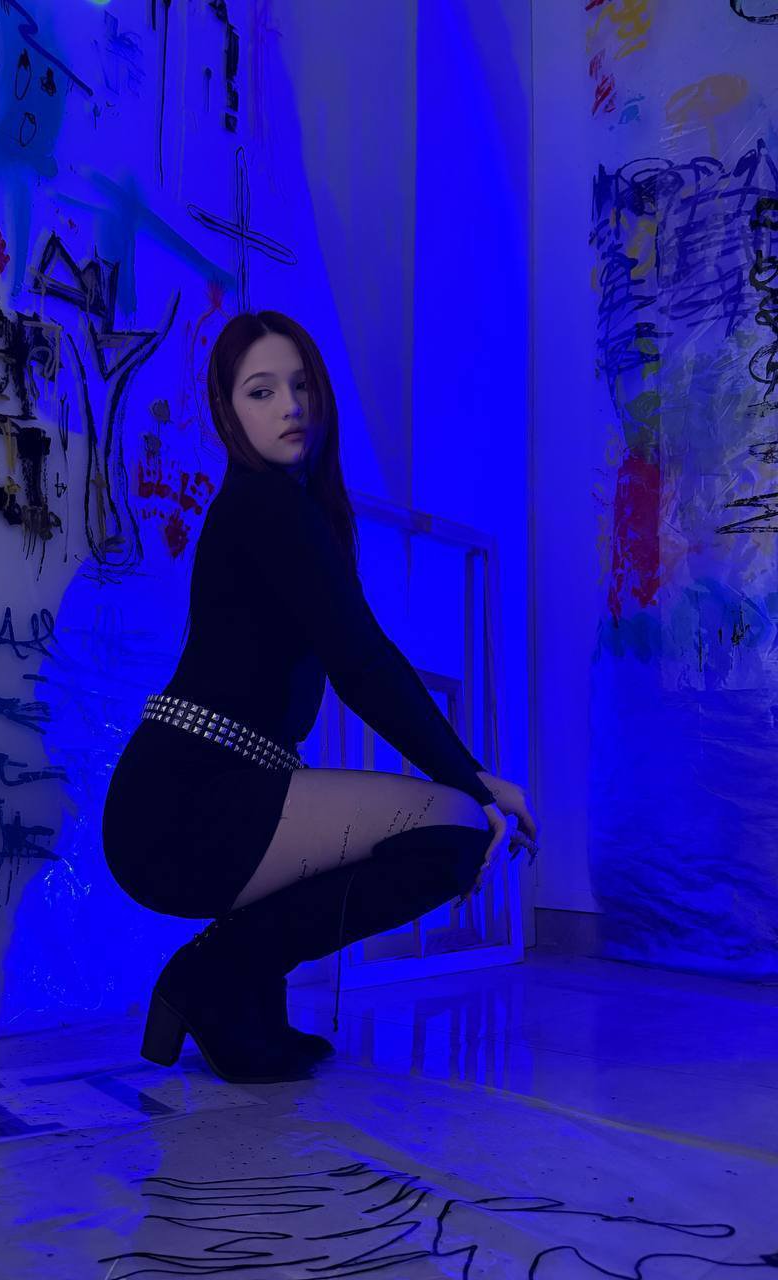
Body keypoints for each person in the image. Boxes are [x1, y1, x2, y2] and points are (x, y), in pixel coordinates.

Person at [102, 310, 540, 1086]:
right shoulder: (265, 505)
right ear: (227, 412)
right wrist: (472, 779)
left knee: (398, 827)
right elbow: (362, 664)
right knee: (456, 830)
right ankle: (215, 976)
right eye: (261, 391)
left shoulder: (285, 510)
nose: (290, 407)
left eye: (301, 386)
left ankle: (242, 1001)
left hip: (202, 796)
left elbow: (353, 658)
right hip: (179, 807)